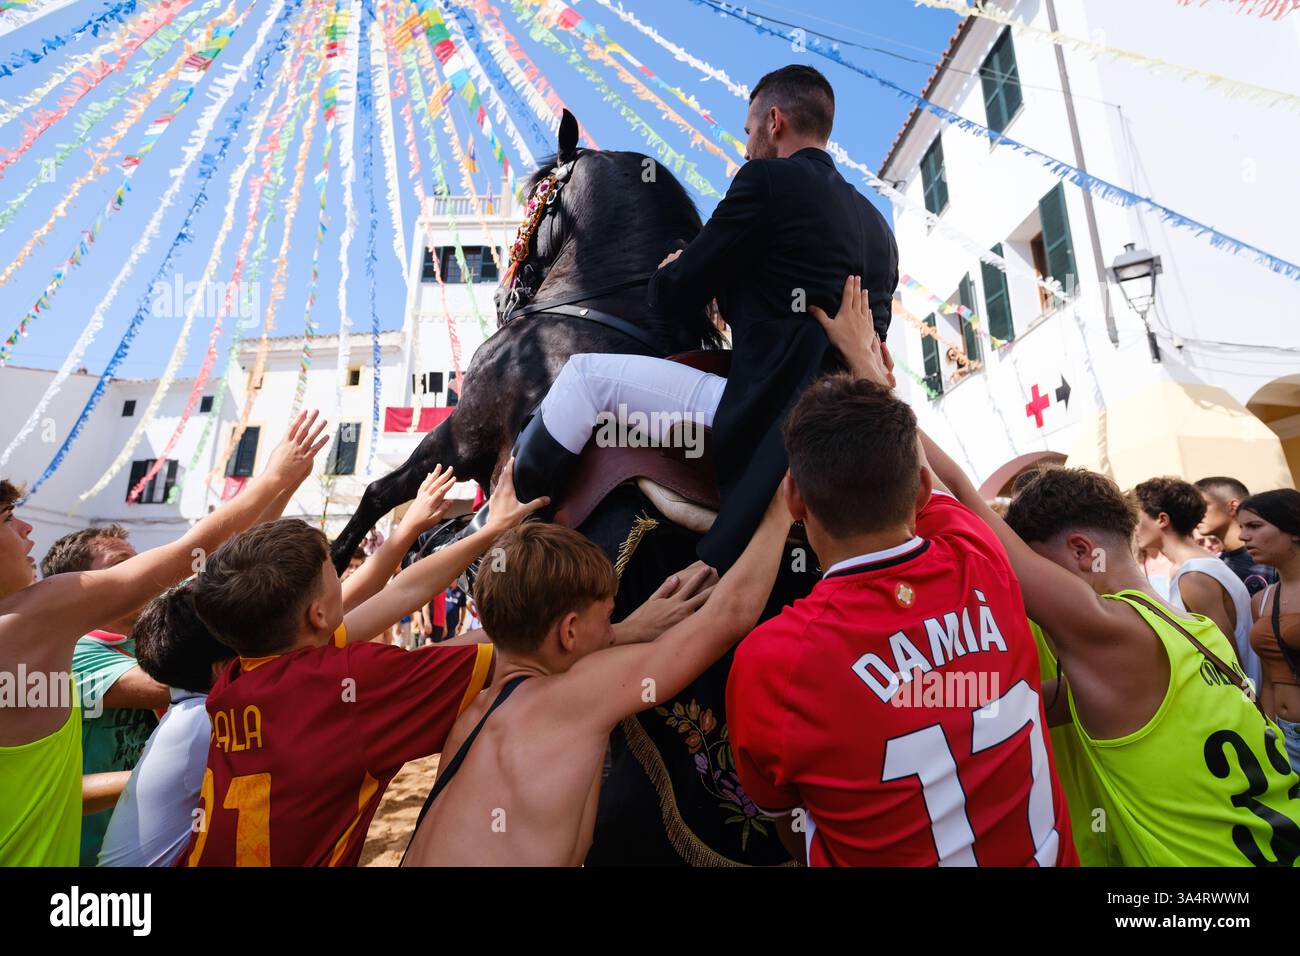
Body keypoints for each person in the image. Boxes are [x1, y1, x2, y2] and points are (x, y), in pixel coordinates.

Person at [815, 277, 1300, 866]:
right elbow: (1041, 702)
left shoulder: (1109, 633)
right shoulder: (1182, 632)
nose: (1021, 586)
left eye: (1032, 565)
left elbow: (963, 501)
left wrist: (871, 376)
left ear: (1077, 551)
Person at [496, 64, 898, 571]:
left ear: (774, 121)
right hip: (846, 426)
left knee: (584, 379)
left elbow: (675, 294)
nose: (746, 145)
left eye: (749, 131)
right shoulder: (879, 227)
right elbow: (797, 310)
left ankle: (502, 521)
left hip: (764, 414)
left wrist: (671, 272)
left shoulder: (765, 180)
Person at [725, 366, 1076, 865]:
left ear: (794, 499)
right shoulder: (980, 558)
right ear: (921, 490)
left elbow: (788, 823)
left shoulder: (772, 662)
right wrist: (872, 372)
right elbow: (937, 488)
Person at [0, 411, 329, 866]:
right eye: (6, 517)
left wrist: (281, 486)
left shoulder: (52, 632)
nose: (25, 528)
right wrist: (273, 477)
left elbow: (209, 568)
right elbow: (187, 565)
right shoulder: (33, 625)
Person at [97, 470, 461, 866]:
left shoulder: (233, 688)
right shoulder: (213, 717)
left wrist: (406, 528)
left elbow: (363, 603)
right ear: (227, 663)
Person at [401, 500, 784, 867]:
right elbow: (730, 616)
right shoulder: (569, 700)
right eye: (607, 619)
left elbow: (502, 636)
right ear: (569, 631)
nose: (613, 633)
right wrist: (781, 506)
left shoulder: (474, 710)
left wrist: (633, 627)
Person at [39, 524, 172, 864]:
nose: (142, 573)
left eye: (139, 561)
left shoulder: (142, 643)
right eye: (121, 564)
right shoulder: (74, 650)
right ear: (79, 586)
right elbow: (166, 689)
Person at [1134, 477, 1261, 693]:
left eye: (1137, 519)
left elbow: (1226, 658)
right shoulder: (1193, 567)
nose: (1133, 528)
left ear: (1162, 519)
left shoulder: (1195, 575)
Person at [1240, 489, 1300, 772]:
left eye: (1254, 526)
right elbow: (1268, 677)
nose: (1243, 537)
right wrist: (1267, 730)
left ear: (1294, 530)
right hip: (1284, 736)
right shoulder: (1262, 600)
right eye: (1242, 527)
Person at [1196, 476, 1279, 595]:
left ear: (1233, 506)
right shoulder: (1215, 566)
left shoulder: (1272, 557)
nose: (1195, 512)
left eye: (1202, 506)